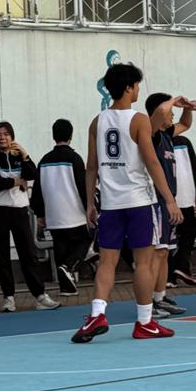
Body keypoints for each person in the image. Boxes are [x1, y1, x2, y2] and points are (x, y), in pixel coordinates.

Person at [71, 62, 182, 344]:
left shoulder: (97, 122)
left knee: (107, 261)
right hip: (139, 201)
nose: (138, 90)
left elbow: (91, 167)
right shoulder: (139, 119)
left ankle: (97, 313)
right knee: (143, 262)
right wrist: (170, 200)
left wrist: (90, 203)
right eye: (137, 85)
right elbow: (152, 161)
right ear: (130, 87)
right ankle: (145, 322)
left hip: (110, 203)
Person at [0, 122, 59, 313]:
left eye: (6, 134)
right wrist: (16, 181)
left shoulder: (19, 158)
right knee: (2, 255)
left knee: (28, 253)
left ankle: (40, 295)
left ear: (12, 137)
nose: (2, 137)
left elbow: (33, 174)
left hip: (20, 211)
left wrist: (25, 155)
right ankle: (8, 297)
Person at [145, 93, 196, 320]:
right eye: (170, 111)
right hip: (156, 202)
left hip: (169, 202)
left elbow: (186, 124)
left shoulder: (167, 135)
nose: (172, 115)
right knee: (156, 254)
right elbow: (160, 112)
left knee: (164, 253)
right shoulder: (150, 134)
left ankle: (160, 297)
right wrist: (174, 100)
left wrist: (186, 107)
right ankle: (149, 302)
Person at [31, 119, 90, 295]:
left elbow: (37, 189)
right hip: (75, 213)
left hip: (53, 215)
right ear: (70, 136)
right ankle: (69, 266)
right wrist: (90, 207)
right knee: (85, 241)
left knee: (60, 248)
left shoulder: (44, 160)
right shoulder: (75, 159)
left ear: (53, 136)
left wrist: (40, 213)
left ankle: (66, 287)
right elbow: (83, 186)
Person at [171, 131, 196, 286]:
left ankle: (181, 268)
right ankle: (170, 274)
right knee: (169, 239)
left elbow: (194, 168)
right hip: (169, 198)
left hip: (186, 195)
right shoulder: (155, 139)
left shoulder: (183, 141)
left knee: (187, 233)